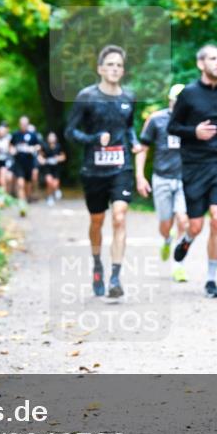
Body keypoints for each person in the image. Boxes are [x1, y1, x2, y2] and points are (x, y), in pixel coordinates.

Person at [65, 45, 142, 298]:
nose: (115, 69)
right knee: (97, 221)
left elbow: (129, 127)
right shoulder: (86, 96)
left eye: (119, 65)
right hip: (93, 169)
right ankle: (97, 264)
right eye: (110, 64)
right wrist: (95, 138)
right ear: (100, 68)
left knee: (119, 216)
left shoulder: (128, 98)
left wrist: (134, 141)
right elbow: (71, 132)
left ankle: (115, 277)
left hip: (121, 167)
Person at [167, 44, 217, 298]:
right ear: (201, 64)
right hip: (194, 166)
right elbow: (172, 127)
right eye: (212, 58)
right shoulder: (188, 94)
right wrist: (194, 132)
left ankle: (211, 280)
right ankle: (187, 239)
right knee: (196, 226)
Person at [135, 84, 190, 283]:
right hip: (162, 178)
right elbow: (143, 148)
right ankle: (167, 239)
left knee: (184, 221)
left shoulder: (193, 121)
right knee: (165, 224)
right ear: (170, 100)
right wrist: (140, 177)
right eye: (178, 100)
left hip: (185, 179)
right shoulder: (156, 120)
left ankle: (179, 265)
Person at [9, 115, 40, 211]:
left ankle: (27, 198)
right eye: (22, 124)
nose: (24, 125)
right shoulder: (15, 134)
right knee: (20, 183)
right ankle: (22, 204)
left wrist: (32, 149)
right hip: (19, 163)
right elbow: (10, 145)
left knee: (28, 183)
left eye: (25, 124)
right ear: (19, 124)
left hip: (29, 163)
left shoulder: (32, 135)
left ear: (28, 124)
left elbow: (38, 146)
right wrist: (12, 150)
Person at [40, 131, 66, 205]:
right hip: (47, 168)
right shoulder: (44, 146)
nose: (52, 138)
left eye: (53, 137)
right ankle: (49, 197)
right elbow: (40, 156)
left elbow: (63, 157)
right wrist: (43, 160)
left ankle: (56, 191)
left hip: (56, 168)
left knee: (55, 184)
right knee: (49, 182)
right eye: (50, 137)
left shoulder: (59, 146)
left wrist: (58, 158)